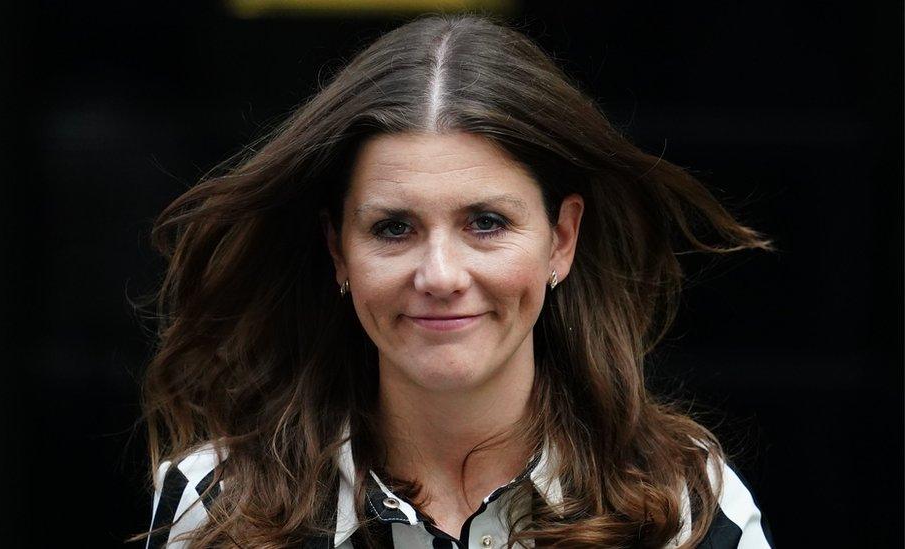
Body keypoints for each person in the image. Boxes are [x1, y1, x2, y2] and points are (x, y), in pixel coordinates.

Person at [136, 13, 775, 549]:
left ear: (562, 239)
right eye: (393, 228)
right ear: (338, 250)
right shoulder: (222, 505)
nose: (440, 275)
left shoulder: (683, 505)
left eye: (487, 223)